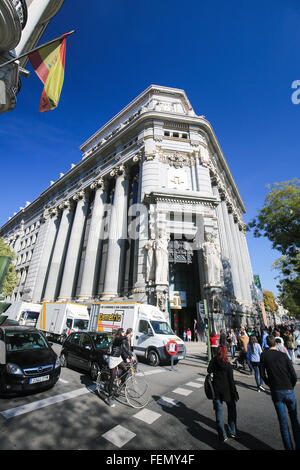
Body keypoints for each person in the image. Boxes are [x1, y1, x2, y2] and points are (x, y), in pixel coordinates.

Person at [260, 335, 300, 450]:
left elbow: (263, 375)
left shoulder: (264, 356)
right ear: (276, 344)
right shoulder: (283, 355)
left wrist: (270, 385)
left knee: (283, 424)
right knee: (294, 420)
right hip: (288, 389)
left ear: (267, 344)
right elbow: (293, 375)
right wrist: (290, 386)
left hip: (276, 390)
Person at [207, 345, 239, 442]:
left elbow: (208, 370)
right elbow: (231, 381)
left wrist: (213, 359)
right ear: (225, 353)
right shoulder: (228, 365)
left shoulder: (214, 361)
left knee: (219, 412)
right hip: (228, 391)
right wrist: (235, 393)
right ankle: (232, 431)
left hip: (216, 391)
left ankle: (222, 435)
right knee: (232, 410)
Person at [107, 328, 130, 408]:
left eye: (124, 332)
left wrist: (130, 355)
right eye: (123, 332)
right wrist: (126, 336)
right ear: (120, 333)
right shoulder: (117, 339)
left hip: (118, 358)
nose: (124, 333)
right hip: (113, 359)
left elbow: (124, 349)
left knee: (126, 370)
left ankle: (120, 384)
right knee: (112, 378)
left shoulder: (121, 340)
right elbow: (120, 339)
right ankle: (109, 398)